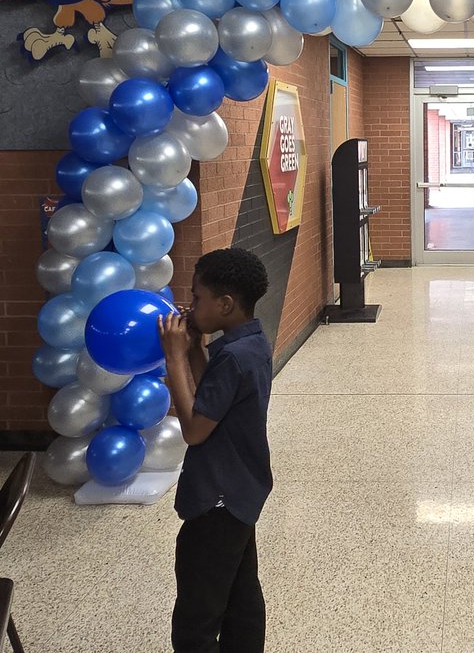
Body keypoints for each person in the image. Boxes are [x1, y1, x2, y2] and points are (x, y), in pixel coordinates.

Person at [158, 247, 273, 653]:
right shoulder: (250, 344)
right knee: (241, 595)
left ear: (225, 304)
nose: (190, 306)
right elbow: (214, 398)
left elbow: (194, 430)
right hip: (242, 490)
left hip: (217, 501)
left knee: (197, 616)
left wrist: (173, 357)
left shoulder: (235, 358)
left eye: (197, 297)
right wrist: (193, 349)